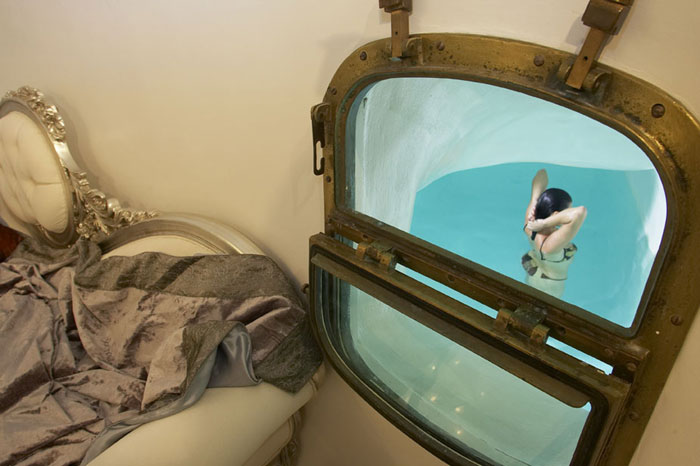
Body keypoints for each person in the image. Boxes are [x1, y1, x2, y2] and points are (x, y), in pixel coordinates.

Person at [522, 169, 587, 298]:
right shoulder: (550, 244)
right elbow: (580, 212)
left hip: (539, 273)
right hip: (548, 288)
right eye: (566, 211)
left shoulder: (530, 225)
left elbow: (542, 173)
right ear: (556, 214)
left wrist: (535, 200)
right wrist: (545, 223)